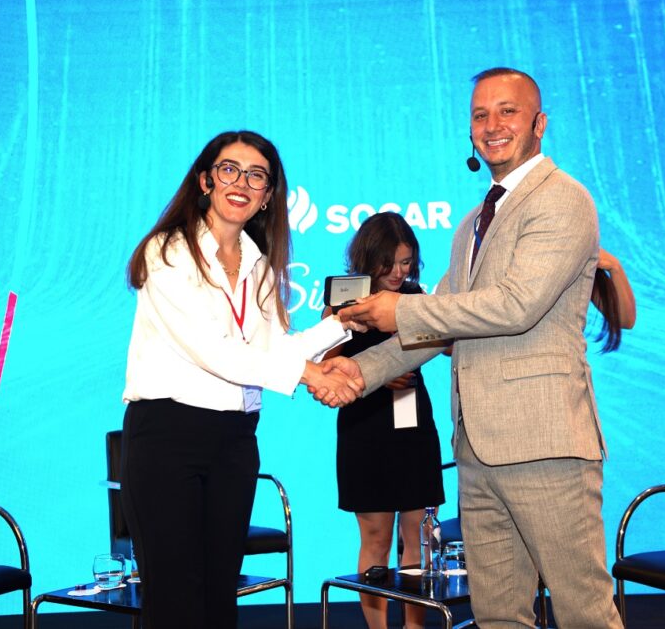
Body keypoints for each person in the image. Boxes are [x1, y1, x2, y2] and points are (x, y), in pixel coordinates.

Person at [335, 68, 625, 628]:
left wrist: (400, 310)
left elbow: (515, 306)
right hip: (477, 449)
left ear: (539, 123)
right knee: (496, 615)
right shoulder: (472, 222)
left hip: (545, 446)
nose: (491, 125)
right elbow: (433, 329)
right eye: (479, 114)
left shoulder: (563, 200)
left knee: (582, 610)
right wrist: (352, 373)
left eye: (507, 111)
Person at [119, 130, 363, 629]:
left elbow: (270, 353)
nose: (242, 183)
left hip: (233, 442)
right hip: (168, 437)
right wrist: (310, 373)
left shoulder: (260, 266)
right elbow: (214, 352)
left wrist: (340, 325)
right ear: (206, 180)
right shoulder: (167, 253)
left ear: (268, 195)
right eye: (229, 169)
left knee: (219, 597)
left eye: (257, 176)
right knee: (175, 602)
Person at [323, 212, 445, 629]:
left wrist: (442, 321)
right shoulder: (343, 302)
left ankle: (414, 626)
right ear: (367, 258)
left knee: (418, 538)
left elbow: (444, 346)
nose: (398, 272)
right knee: (374, 537)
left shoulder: (417, 297)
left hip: (414, 425)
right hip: (365, 427)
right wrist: (375, 371)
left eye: (407, 262)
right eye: (389, 263)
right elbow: (323, 364)